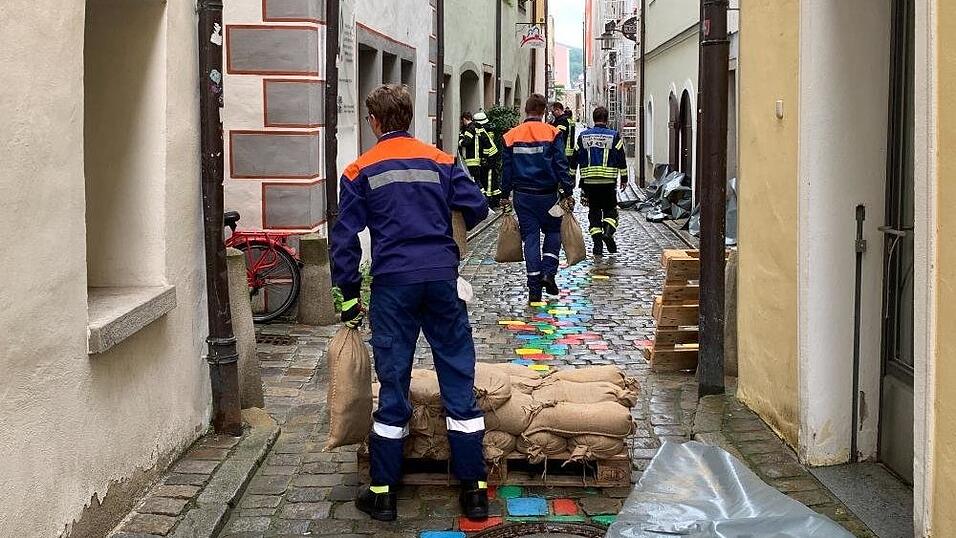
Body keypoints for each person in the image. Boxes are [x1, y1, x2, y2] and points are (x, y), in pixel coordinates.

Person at [331, 84, 490, 522]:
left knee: (394, 378)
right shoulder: (440, 160)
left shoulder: (359, 170)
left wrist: (347, 299)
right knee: (457, 374)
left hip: (393, 284)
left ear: (375, 122)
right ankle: (474, 491)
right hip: (441, 278)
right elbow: (476, 206)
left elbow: (344, 239)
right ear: (410, 117)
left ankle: (382, 492)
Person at [500, 94, 574, 303]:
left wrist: (504, 195)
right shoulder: (552, 132)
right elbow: (561, 164)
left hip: (523, 196)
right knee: (553, 231)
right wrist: (568, 190)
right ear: (543, 112)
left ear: (526, 109)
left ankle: (534, 289)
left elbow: (507, 169)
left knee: (530, 237)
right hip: (548, 195)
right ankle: (548, 272)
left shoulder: (511, 136)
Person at [573, 106, 628, 256]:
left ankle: (597, 246)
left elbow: (575, 158)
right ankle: (608, 233)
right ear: (606, 119)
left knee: (594, 213)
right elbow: (621, 158)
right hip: (608, 182)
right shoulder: (614, 135)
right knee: (611, 211)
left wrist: (571, 179)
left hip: (589, 183)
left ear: (593, 118)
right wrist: (624, 178)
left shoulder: (583, 136)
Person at [473, 111, 502, 209]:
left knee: (489, 179)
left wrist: (485, 159)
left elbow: (487, 145)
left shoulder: (484, 130)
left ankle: (491, 201)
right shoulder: (486, 128)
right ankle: (493, 200)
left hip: (490, 157)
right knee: (490, 178)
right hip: (490, 157)